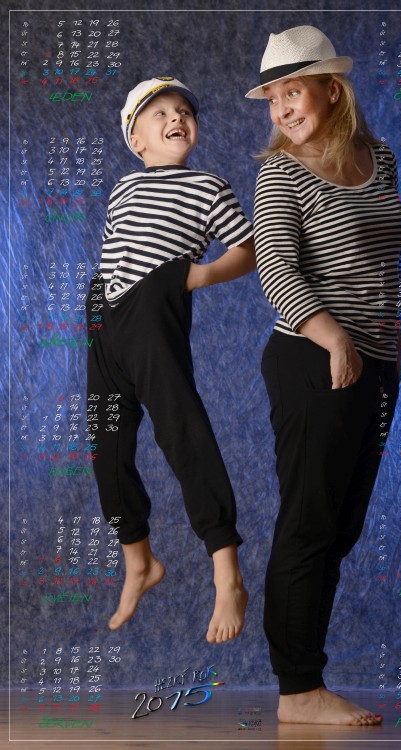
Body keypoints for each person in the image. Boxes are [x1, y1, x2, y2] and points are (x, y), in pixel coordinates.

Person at [246, 26, 401, 724]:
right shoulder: (281, 173)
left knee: (342, 527)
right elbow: (276, 270)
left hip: (379, 361)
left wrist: (384, 344)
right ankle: (298, 690)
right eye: (273, 97)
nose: (282, 108)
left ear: (331, 90)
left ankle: (306, 681)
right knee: (310, 522)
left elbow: (383, 258)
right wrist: (336, 337)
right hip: (314, 357)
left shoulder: (380, 157)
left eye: (293, 91)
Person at [86, 76, 255, 641]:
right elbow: (116, 251)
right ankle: (139, 561)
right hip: (106, 316)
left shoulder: (208, 187)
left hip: (156, 308)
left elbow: (247, 249)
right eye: (159, 113)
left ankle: (227, 572)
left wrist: (196, 276)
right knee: (106, 448)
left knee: (183, 435)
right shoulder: (123, 188)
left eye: (184, 111)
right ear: (136, 140)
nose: (176, 118)